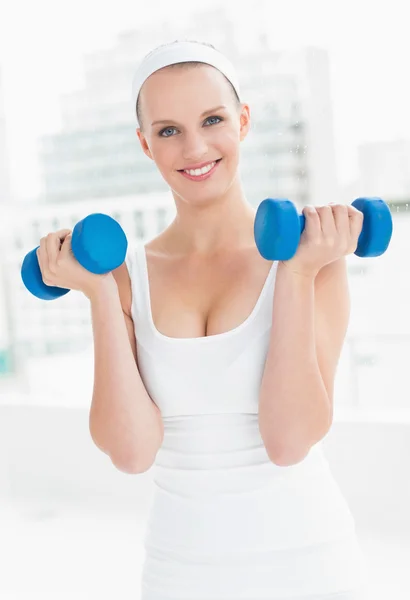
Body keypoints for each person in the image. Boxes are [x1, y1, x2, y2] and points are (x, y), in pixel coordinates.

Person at [36, 39, 370, 599]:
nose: (195, 148)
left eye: (212, 119)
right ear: (145, 144)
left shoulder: (314, 259)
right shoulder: (125, 278)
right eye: (168, 130)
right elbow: (132, 452)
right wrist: (97, 294)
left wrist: (294, 274)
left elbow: (288, 441)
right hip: (180, 571)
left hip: (311, 564)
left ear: (242, 122)